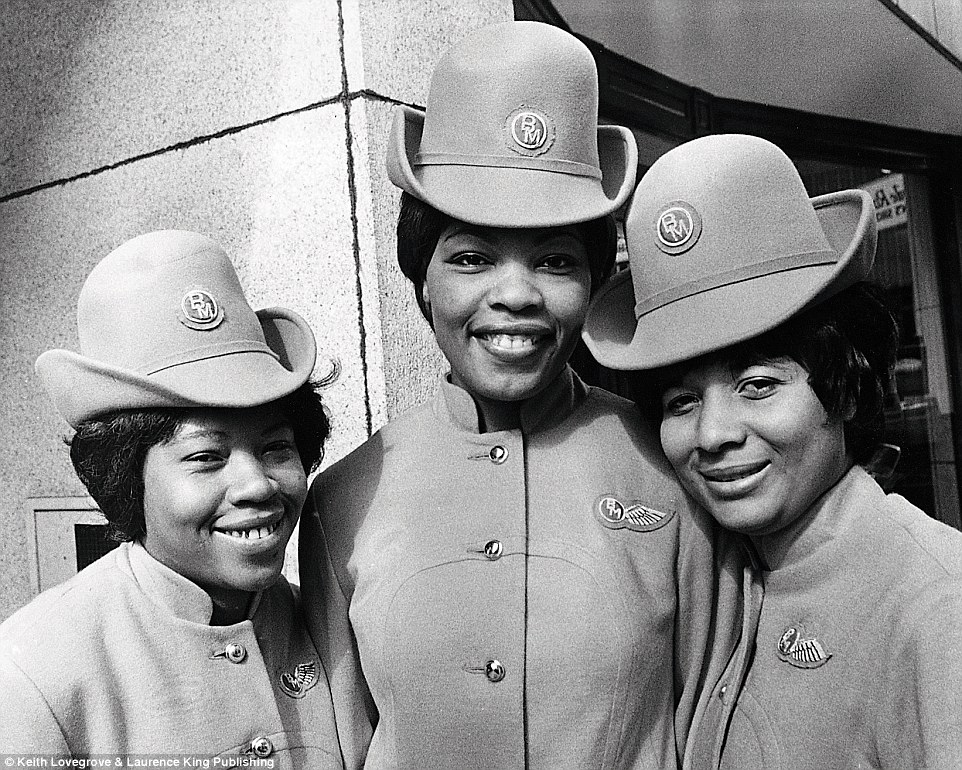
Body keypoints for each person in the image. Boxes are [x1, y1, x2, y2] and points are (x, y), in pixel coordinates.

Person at [299, 21, 739, 769]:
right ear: (422, 280)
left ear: (594, 282)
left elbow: (712, 726)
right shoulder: (343, 501)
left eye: (555, 261)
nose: (516, 296)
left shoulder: (666, 467)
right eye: (472, 258)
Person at [583, 133, 962, 769]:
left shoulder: (936, 606)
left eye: (758, 385)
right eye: (682, 401)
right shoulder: (722, 585)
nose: (713, 435)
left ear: (846, 388)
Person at [0, 230, 358, 766]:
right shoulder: (34, 675)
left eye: (276, 448)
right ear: (125, 478)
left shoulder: (323, 628)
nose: (257, 485)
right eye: (206, 456)